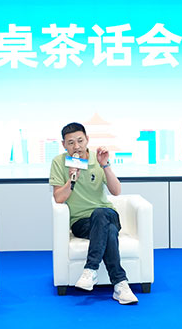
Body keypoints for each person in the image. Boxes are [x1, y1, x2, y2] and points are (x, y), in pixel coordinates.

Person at [49, 122, 138, 305]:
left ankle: (90, 269)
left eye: (80, 141)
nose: (77, 146)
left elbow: (116, 191)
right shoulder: (58, 162)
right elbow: (58, 198)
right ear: (64, 144)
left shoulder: (98, 159)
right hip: (81, 222)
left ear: (87, 140)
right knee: (110, 232)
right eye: (71, 142)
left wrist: (105, 165)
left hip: (108, 213)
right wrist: (71, 180)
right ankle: (120, 284)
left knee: (100, 214)